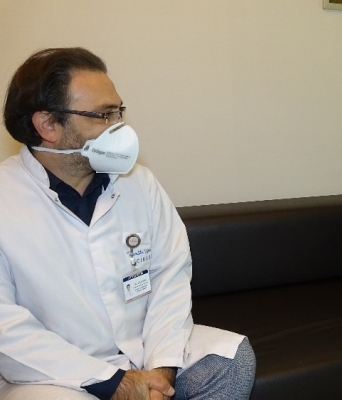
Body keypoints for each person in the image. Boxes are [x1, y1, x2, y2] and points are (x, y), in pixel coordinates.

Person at [0, 48, 256, 400]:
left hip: (141, 349)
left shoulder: (139, 183)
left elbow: (169, 276)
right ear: (47, 125)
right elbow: (5, 324)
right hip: (52, 374)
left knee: (229, 361)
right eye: (103, 115)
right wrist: (112, 382)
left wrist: (161, 368)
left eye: (118, 112)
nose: (119, 126)